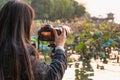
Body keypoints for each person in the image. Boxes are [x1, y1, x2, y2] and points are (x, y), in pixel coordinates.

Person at [0, 0, 67, 80]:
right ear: (23, 25)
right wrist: (60, 48)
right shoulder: (22, 54)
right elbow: (52, 75)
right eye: (30, 22)